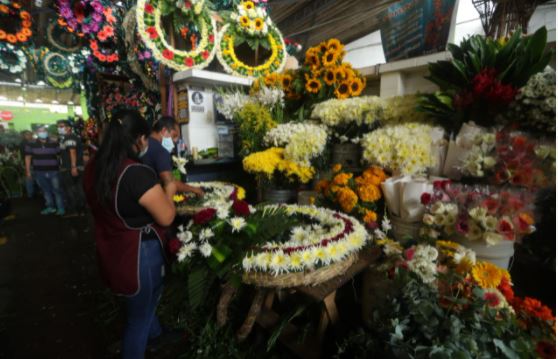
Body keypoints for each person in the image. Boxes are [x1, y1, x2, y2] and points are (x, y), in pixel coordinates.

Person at [83, 109, 177, 359]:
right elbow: (166, 216)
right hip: (139, 255)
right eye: (145, 138)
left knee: (142, 305)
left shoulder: (94, 168)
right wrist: (170, 187)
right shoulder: (135, 173)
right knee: (138, 319)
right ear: (139, 138)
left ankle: (156, 334)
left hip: (111, 249)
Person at [141, 116, 203, 197]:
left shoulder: (143, 143)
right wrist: (194, 189)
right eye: (174, 136)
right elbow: (170, 183)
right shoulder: (161, 152)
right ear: (164, 131)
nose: (176, 141)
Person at [25, 126, 65, 215]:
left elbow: (59, 155)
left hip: (53, 170)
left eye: (44, 131)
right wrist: (28, 171)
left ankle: (60, 208)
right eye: (40, 131)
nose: (42, 132)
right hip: (39, 171)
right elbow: (28, 157)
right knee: (45, 190)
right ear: (36, 133)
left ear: (47, 132)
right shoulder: (31, 144)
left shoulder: (54, 142)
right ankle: (50, 207)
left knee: (57, 190)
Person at [57, 119, 86, 216]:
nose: (59, 128)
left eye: (61, 126)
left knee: (71, 190)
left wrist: (73, 167)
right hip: (75, 168)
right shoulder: (69, 137)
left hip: (71, 169)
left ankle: (75, 210)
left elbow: (72, 152)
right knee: (78, 189)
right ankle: (81, 210)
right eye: (59, 126)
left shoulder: (69, 138)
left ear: (69, 128)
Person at [20, 130, 35, 198]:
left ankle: (30, 193)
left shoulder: (23, 143)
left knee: (29, 178)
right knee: (29, 178)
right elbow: (28, 155)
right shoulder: (26, 143)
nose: (31, 136)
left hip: (28, 163)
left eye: (31, 134)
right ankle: (31, 193)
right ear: (25, 135)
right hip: (30, 163)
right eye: (29, 135)